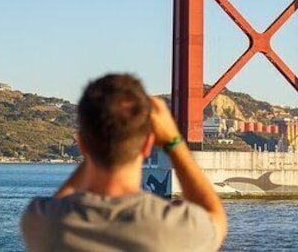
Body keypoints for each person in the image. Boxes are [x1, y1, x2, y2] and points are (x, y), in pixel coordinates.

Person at [21, 74, 227, 251]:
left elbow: (59, 203)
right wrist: (174, 140)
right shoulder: (175, 228)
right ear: (148, 144)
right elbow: (215, 218)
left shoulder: (41, 221)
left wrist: (99, 141)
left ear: (82, 144)